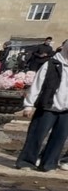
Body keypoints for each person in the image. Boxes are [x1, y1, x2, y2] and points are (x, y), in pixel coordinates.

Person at [16, 41, 68, 171]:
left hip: (66, 110)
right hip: (47, 106)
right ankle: (26, 161)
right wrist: (28, 105)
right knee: (37, 135)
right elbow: (37, 85)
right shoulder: (50, 64)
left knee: (59, 138)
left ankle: (49, 164)